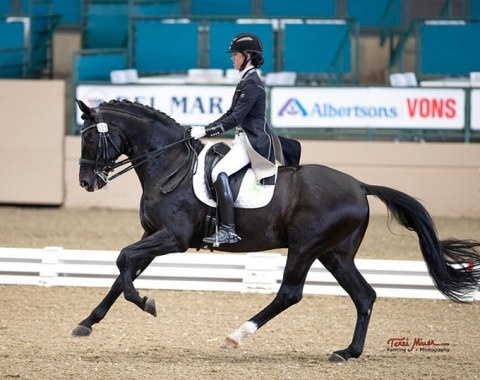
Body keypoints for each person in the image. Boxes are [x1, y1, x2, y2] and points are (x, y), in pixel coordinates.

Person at [188, 33, 300, 246]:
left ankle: (228, 229)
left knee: (219, 172)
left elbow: (236, 118)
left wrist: (206, 132)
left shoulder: (252, 82)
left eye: (236, 55)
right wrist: (205, 127)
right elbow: (230, 112)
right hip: (242, 140)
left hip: (251, 143)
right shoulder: (246, 80)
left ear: (248, 56)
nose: (232, 59)